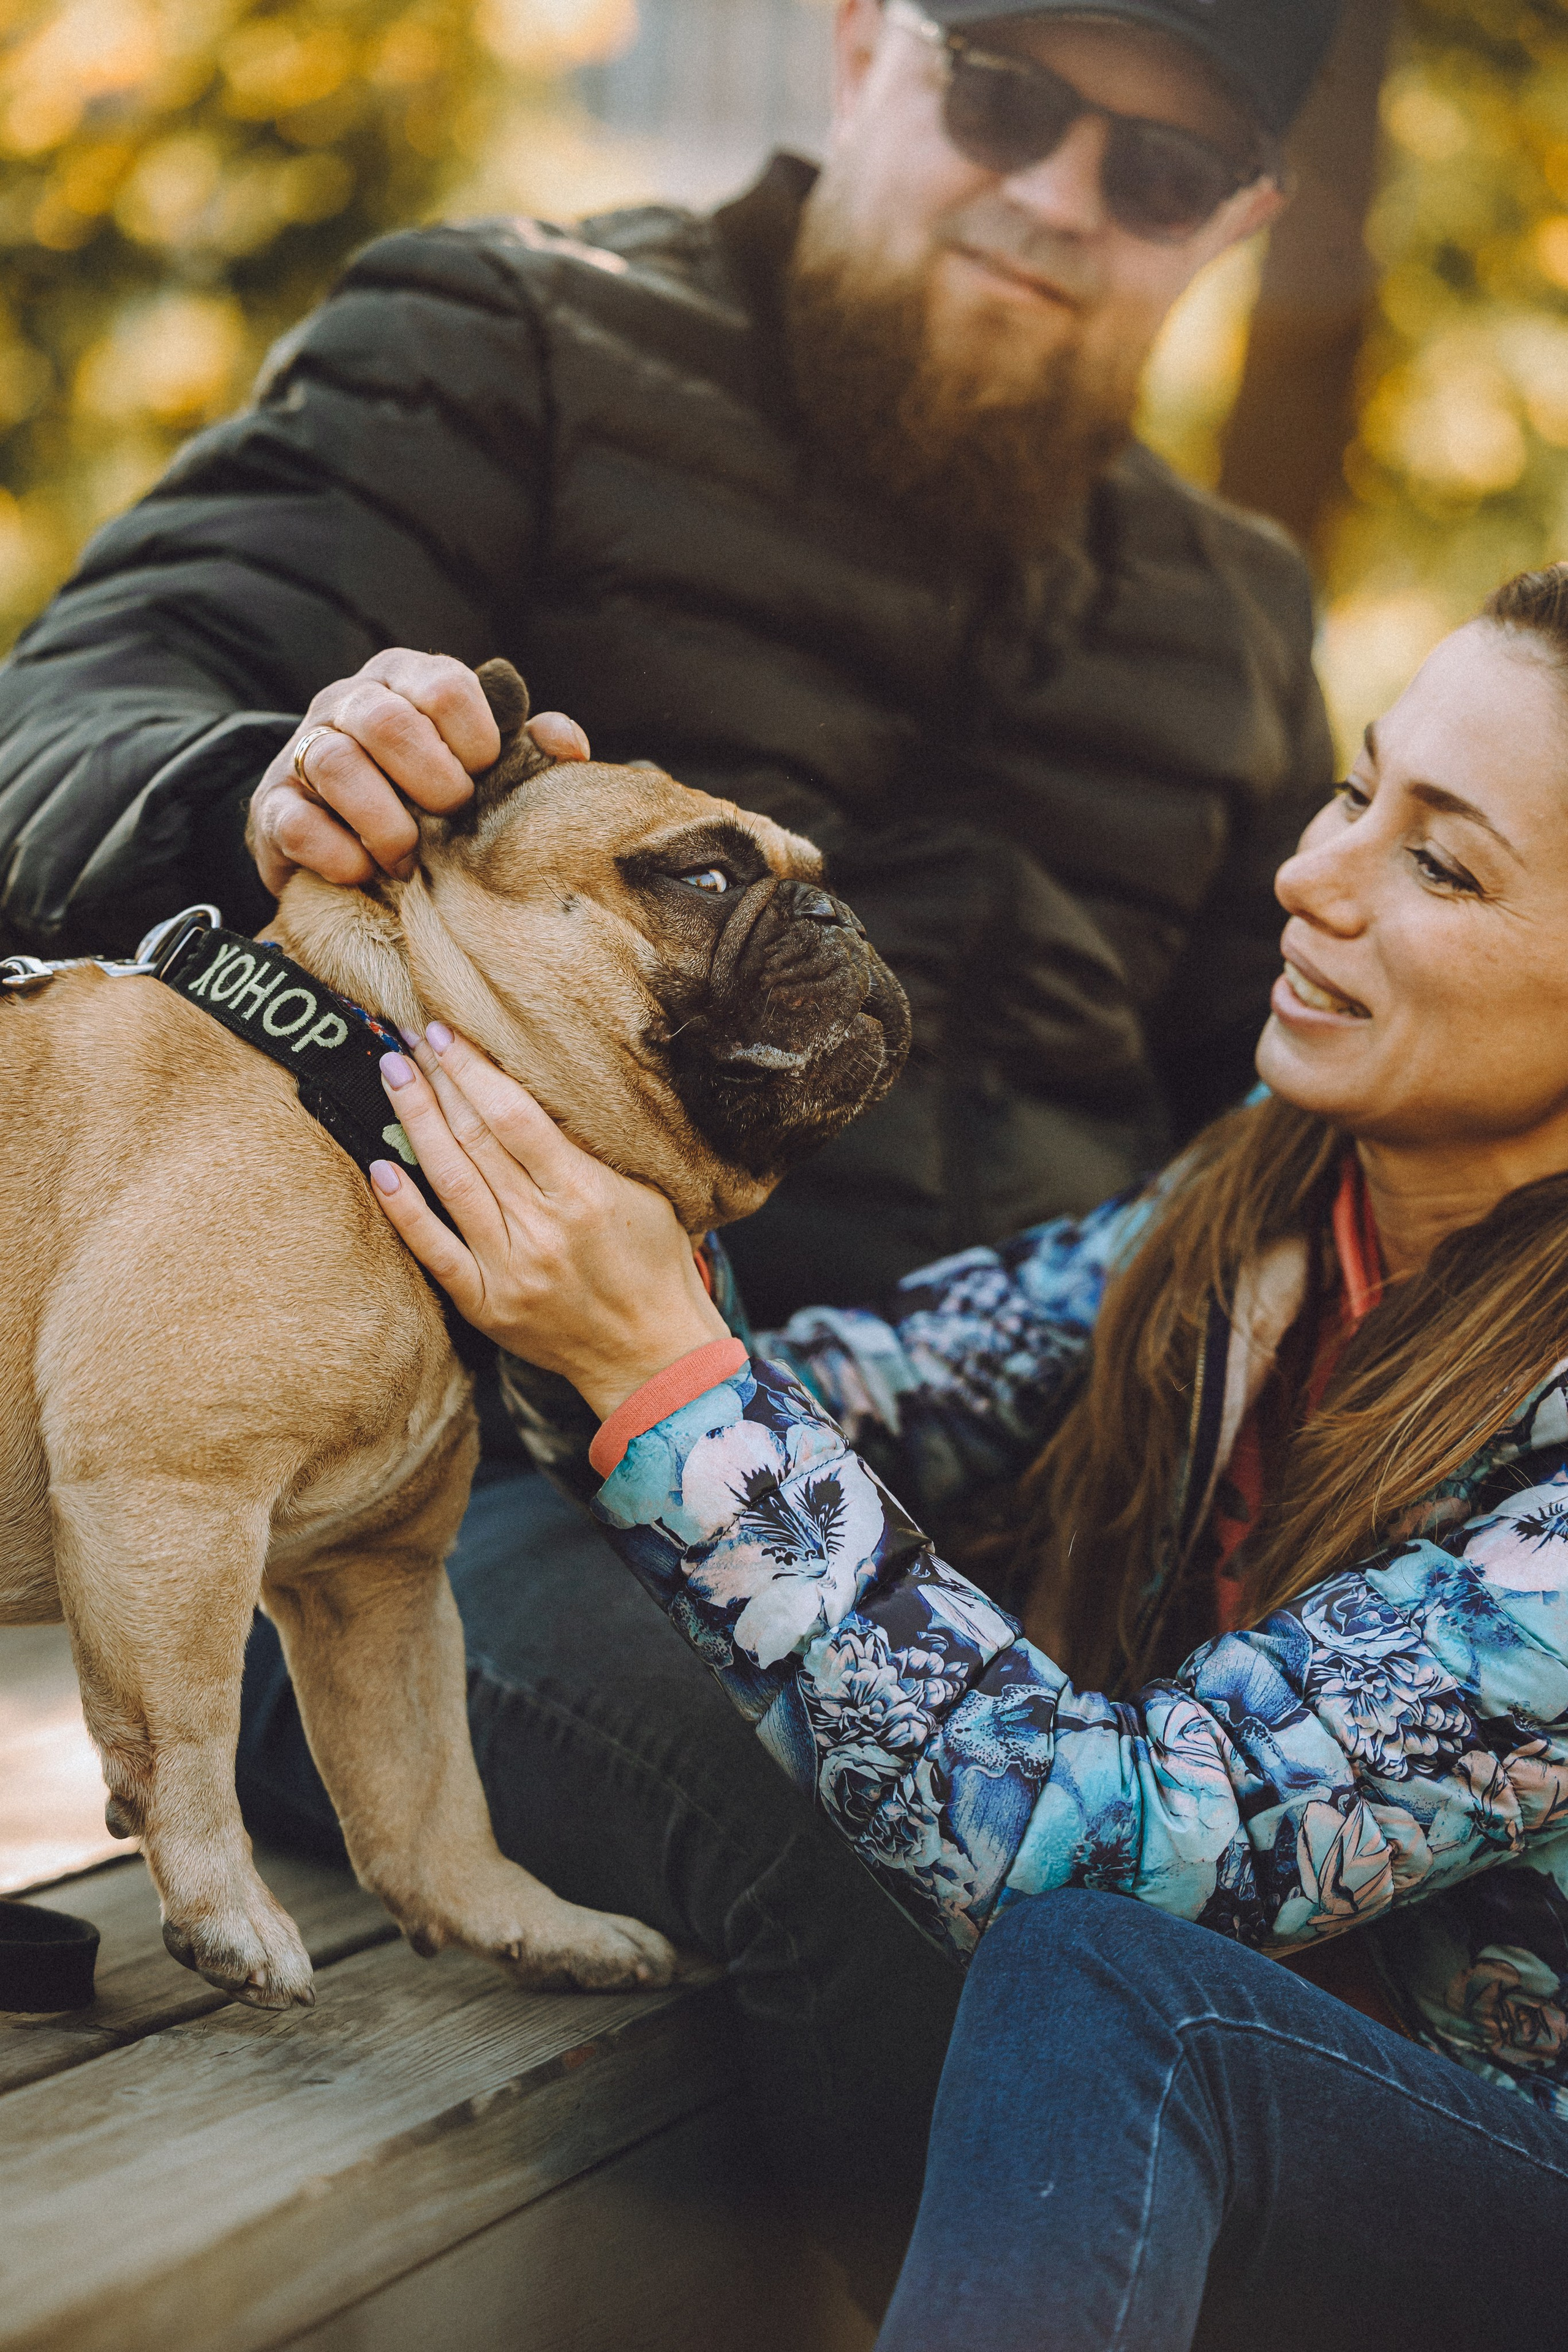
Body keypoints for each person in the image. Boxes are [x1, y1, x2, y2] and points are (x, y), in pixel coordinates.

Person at [0, 0, 1346, 2298]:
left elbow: (1279, 1119)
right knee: (924, 1900)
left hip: (987, 1529)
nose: (1051, 197)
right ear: (862, 52)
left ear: (1235, 227)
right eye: (1006, 96)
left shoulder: (1234, 607)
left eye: (1149, 171)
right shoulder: (507, 334)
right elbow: (63, 713)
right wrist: (252, 781)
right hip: (498, 1486)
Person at [344, 565, 1568, 2348]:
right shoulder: (1279, 1196)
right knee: (492, 1559)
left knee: (1107, 1982)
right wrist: (519, 975)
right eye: (1353, 792)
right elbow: (840, 1399)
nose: (1312, 880)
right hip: (1182, 2132)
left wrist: (660, 1370)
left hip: (1482, 2201)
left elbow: (1104, 1856)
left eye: (1441, 865)